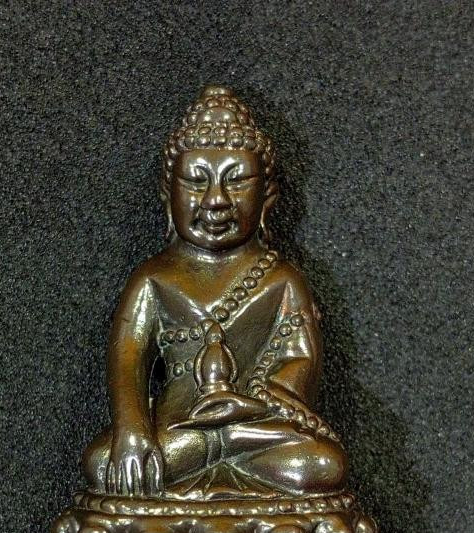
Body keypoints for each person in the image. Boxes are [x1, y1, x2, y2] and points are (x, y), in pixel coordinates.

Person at [83, 86, 347, 499]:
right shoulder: (153, 278)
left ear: (267, 197)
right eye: (196, 181)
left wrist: (250, 407)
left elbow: (300, 362)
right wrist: (132, 429)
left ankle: (227, 442)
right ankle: (221, 445)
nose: (216, 200)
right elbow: (127, 357)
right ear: (168, 194)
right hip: (177, 430)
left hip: (256, 428)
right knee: (102, 462)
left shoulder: (281, 280)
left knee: (321, 465)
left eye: (237, 180)